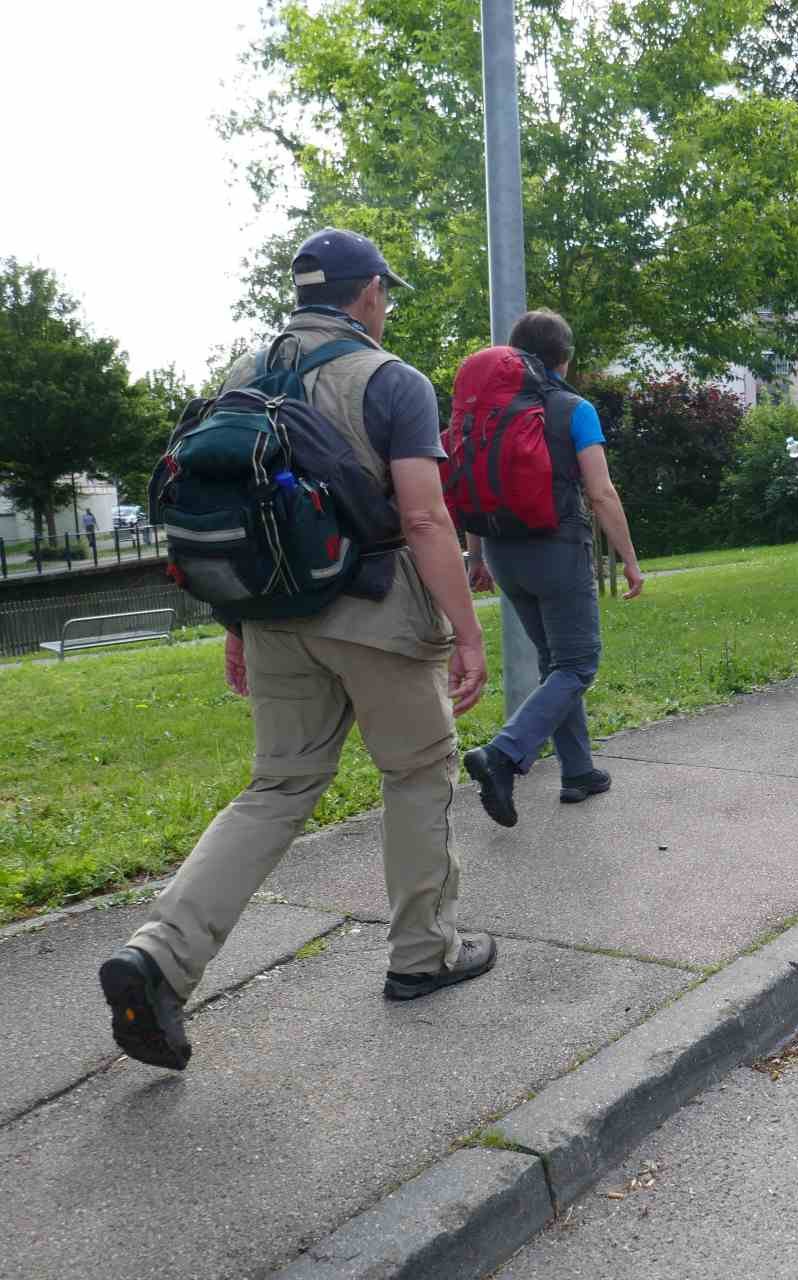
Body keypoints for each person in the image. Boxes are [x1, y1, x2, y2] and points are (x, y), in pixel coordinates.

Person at [99, 228, 493, 1072]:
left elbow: (224, 512)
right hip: (379, 613)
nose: (384, 306)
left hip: (274, 615)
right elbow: (424, 518)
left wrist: (236, 628)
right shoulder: (393, 382)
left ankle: (160, 955)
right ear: (366, 296)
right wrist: (467, 630)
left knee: (276, 787)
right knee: (418, 771)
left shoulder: (240, 377)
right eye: (382, 294)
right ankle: (423, 954)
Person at [461, 309, 645, 827]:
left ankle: (578, 771)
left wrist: (476, 557)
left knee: (555, 663)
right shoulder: (574, 409)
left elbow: (476, 485)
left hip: (502, 553)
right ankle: (502, 754)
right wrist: (629, 561)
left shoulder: (490, 412)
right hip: (556, 550)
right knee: (578, 664)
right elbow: (601, 492)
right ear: (565, 358)